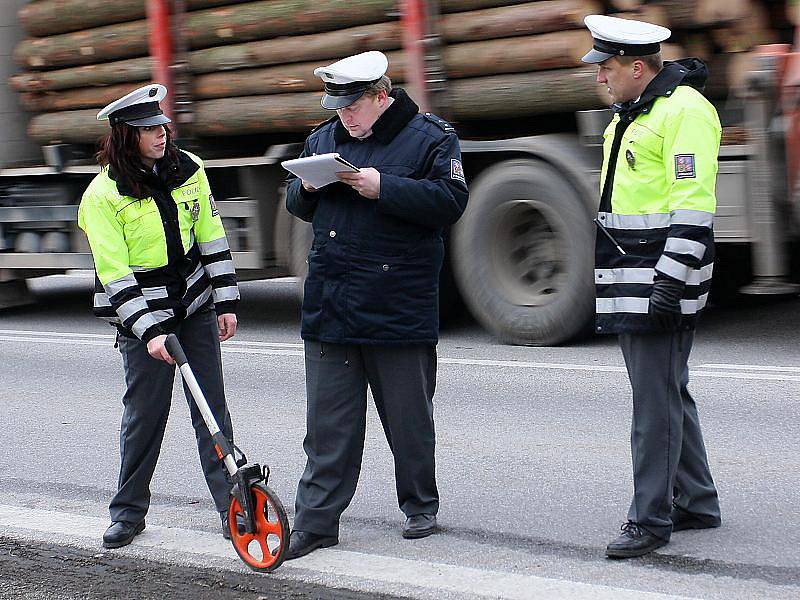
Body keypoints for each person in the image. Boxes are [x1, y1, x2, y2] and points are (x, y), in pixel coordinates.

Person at [284, 51, 468, 559]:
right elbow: (296, 205)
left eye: (352, 107)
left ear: (380, 97)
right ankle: (315, 522)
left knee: (408, 419)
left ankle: (419, 505)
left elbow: (450, 202)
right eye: (337, 107)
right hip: (332, 301)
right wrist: (303, 188)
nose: (343, 116)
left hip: (397, 302)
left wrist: (382, 187)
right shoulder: (324, 138)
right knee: (326, 429)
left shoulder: (431, 137)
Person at [581, 15, 722, 558]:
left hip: (659, 282)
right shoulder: (632, 111)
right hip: (632, 279)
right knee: (666, 392)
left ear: (637, 67)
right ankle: (696, 500)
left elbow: (694, 209)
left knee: (653, 404)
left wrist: (668, 283)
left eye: (608, 67)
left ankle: (650, 520)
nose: (601, 77)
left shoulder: (685, 112)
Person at [77, 84, 240, 549]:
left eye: (162, 125)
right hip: (143, 316)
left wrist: (225, 302)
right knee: (146, 415)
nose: (161, 134)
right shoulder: (103, 196)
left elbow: (211, 234)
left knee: (211, 411)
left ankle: (234, 509)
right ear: (125, 136)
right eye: (149, 129)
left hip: (194, 304)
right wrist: (149, 332)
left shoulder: (189, 169)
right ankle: (128, 512)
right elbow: (114, 275)